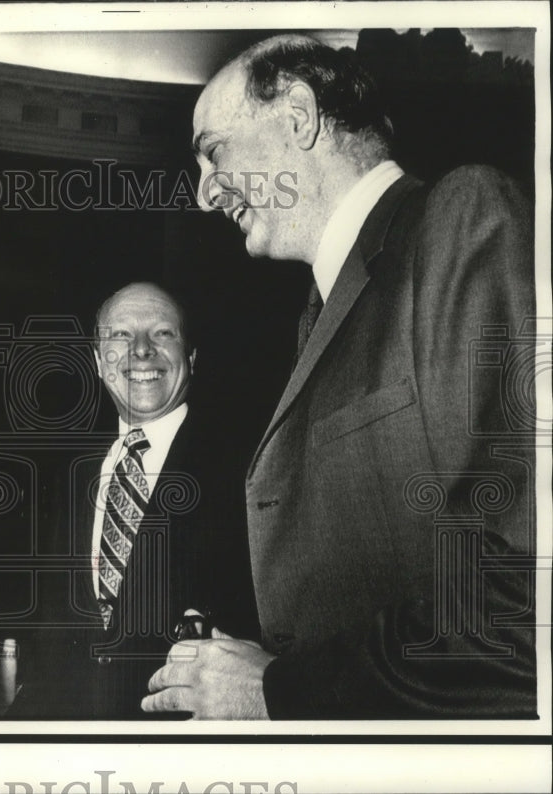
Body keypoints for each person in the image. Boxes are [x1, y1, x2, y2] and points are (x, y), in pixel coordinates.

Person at [143, 35, 536, 718]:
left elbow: (521, 597)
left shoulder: (462, 217)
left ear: (297, 114)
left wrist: (276, 691)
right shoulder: (319, 311)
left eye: (213, 152)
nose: (205, 195)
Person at [17, 282, 258, 718]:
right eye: (121, 336)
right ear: (96, 361)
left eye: (163, 333)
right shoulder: (70, 481)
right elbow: (46, 647)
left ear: (192, 357)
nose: (142, 349)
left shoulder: (248, 468)